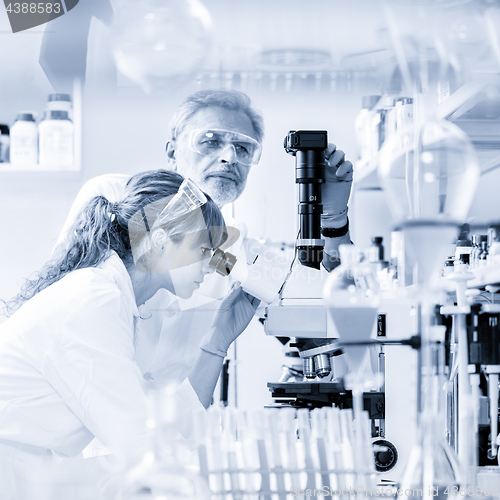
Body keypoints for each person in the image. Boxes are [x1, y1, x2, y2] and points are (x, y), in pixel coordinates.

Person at [56, 89, 354, 389]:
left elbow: (323, 303)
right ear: (173, 152)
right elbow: (67, 305)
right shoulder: (116, 197)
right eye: (211, 141)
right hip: (88, 416)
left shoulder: (236, 248)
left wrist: (333, 220)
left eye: (243, 148)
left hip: (176, 425)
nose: (229, 157)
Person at [0, 170, 259, 499]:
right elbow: (139, 442)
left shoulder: (113, 298)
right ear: (162, 239)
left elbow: (155, 416)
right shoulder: (95, 300)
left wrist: (218, 339)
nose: (211, 266)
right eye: (204, 250)